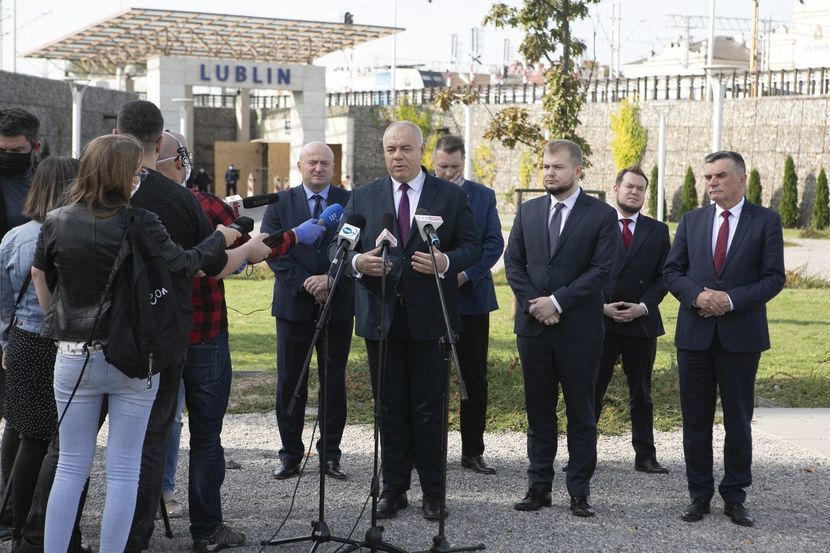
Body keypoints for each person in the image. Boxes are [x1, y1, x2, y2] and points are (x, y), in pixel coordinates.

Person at [30, 134, 242, 553]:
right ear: (123, 175)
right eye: (134, 171)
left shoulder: (55, 219)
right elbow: (184, 264)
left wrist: (60, 322)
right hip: (131, 356)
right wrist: (219, 237)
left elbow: (41, 274)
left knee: (71, 466)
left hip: (73, 354)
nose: (138, 178)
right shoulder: (139, 220)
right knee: (123, 468)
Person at [117, 101, 271, 553]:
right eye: (181, 156)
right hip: (192, 331)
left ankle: (130, 535)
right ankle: (206, 529)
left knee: (147, 436)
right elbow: (208, 265)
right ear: (165, 147)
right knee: (205, 434)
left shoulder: (103, 193)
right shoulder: (186, 200)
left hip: (135, 335)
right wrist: (246, 248)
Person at [340, 121, 481, 521]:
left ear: (422, 151)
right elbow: (343, 243)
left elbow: (473, 245)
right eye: (389, 149)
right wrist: (357, 261)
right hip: (381, 318)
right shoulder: (364, 196)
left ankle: (434, 492)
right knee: (389, 407)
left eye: (404, 148)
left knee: (428, 408)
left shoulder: (449, 197)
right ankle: (394, 488)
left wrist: (446, 261)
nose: (396, 156)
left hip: (430, 318)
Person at [664, 150, 785, 527]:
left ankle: (735, 495)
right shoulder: (691, 220)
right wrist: (698, 295)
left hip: (740, 338)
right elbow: (672, 271)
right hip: (695, 336)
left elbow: (773, 278)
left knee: (738, 420)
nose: (711, 183)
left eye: (719, 176)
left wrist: (730, 300)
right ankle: (698, 495)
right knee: (695, 420)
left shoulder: (766, 221)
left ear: (741, 179)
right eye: (707, 177)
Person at [504, 139, 619, 517]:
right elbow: (514, 263)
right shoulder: (529, 211)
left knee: (581, 413)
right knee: (538, 412)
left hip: (579, 331)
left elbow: (602, 270)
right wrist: (537, 304)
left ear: (577, 170)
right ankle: (538, 488)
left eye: (557, 166)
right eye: (546, 166)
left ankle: (578, 491)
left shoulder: (601, 216)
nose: (549, 172)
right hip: (533, 329)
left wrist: (558, 302)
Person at [262, 142, 353, 481]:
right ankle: (290, 455)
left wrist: (331, 279)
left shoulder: (348, 202)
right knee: (290, 382)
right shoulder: (280, 203)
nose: (319, 168)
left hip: (338, 305)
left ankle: (330, 455)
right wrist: (307, 283)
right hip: (293, 307)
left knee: (333, 381)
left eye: (325, 163)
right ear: (299, 165)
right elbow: (274, 251)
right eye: (312, 162)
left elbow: (356, 245)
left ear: (333, 166)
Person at [0, 156, 76, 547]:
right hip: (63, 342)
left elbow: (3, 300)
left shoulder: (14, 237)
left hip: (24, 342)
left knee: (31, 439)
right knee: (67, 447)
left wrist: (4, 343)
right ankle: (51, 532)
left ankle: (20, 529)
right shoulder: (73, 232)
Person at [432, 135, 503, 475]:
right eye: (442, 167)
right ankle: (432, 451)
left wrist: (466, 274)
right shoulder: (425, 193)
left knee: (474, 376)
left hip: (471, 298)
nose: (447, 174)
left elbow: (493, 243)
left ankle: (472, 450)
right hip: (430, 297)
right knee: (431, 377)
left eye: (454, 167)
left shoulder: (483, 196)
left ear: (464, 163)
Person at [595, 167, 671, 474]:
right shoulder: (596, 225)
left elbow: (666, 275)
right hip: (601, 320)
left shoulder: (657, 230)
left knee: (642, 392)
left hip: (641, 322)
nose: (634, 192)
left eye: (641, 188)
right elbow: (582, 270)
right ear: (615, 188)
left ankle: (645, 456)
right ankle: (582, 453)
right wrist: (599, 307)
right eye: (629, 186)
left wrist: (644, 306)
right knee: (592, 390)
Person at [0, 107, 40, 539]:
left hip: (24, 318)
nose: (7, 156)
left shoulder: (42, 180)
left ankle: (13, 509)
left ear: (34, 147)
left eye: (14, 151)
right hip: (8, 303)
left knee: (20, 419)